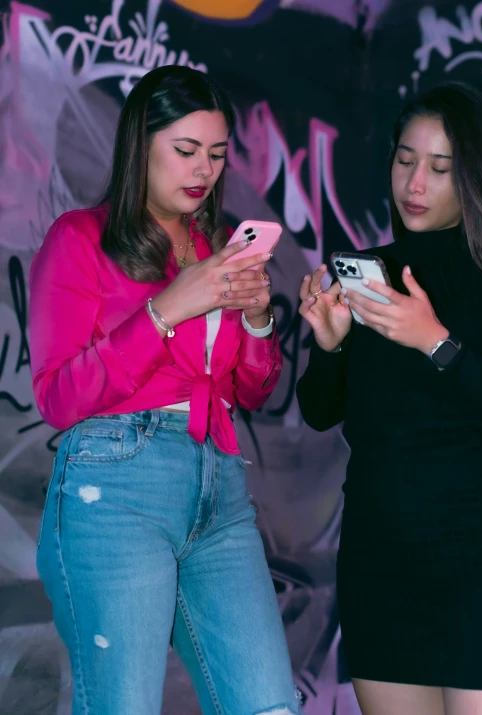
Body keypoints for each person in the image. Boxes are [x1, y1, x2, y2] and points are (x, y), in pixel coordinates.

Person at [30, 65, 302, 715]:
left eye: (215, 153)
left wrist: (259, 318)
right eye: (185, 151)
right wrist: (166, 310)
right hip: (116, 485)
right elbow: (57, 396)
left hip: (218, 486)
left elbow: (250, 390)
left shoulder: (214, 247)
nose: (202, 170)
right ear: (139, 146)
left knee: (269, 707)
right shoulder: (79, 239)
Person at [296, 81, 482, 715]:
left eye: (441, 168)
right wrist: (332, 344)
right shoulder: (367, 273)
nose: (415, 183)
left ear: (475, 177)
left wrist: (435, 342)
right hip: (381, 571)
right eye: (405, 160)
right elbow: (319, 412)